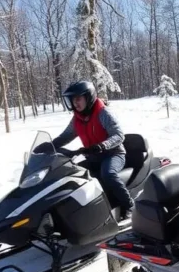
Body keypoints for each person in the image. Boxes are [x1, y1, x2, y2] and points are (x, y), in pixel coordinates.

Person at [50, 80, 134, 218]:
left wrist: (103, 145)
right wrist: (50, 145)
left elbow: (119, 135)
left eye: (78, 99)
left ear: (88, 97)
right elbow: (66, 136)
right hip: (93, 157)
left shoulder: (103, 113)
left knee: (108, 174)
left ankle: (129, 205)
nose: (75, 103)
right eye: (72, 100)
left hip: (113, 154)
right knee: (72, 175)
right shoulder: (77, 118)